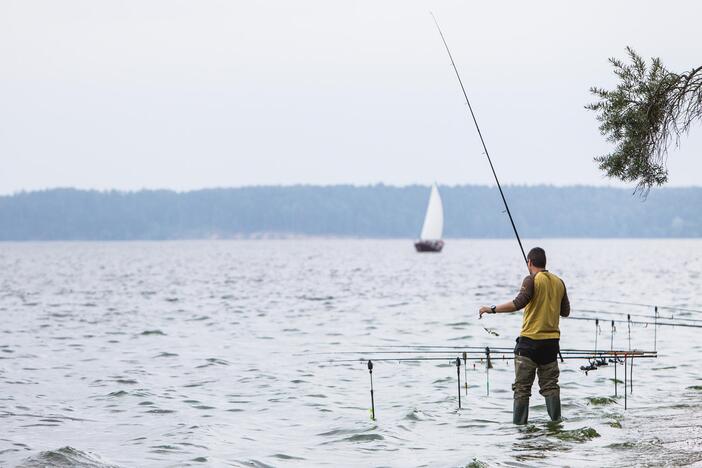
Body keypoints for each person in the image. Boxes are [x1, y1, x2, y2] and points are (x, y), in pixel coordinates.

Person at [479, 247, 570, 425]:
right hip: (551, 345)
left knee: (522, 389)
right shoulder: (559, 282)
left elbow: (518, 303)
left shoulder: (531, 279)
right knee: (551, 387)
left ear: (529, 262)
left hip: (529, 344)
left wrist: (492, 309)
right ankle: (556, 424)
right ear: (544, 262)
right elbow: (565, 312)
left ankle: (520, 433)